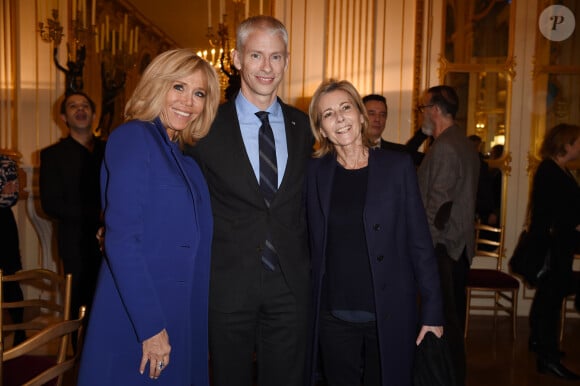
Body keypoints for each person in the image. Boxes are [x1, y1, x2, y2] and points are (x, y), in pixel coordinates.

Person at [77, 49, 220, 385]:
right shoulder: (134, 137)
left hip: (181, 316)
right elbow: (122, 239)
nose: (188, 101)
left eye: (199, 93)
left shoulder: (188, 164)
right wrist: (152, 327)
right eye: (178, 87)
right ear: (157, 86)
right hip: (140, 316)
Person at [186, 16, 314, 386]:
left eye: (276, 57)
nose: (266, 67)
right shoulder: (204, 126)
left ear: (286, 61)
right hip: (227, 282)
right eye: (256, 55)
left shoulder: (303, 127)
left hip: (289, 282)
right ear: (236, 58)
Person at [306, 79, 444, 386]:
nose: (340, 118)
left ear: (359, 113)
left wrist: (433, 308)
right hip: (333, 313)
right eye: (328, 114)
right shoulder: (314, 172)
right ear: (321, 128)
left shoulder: (397, 167)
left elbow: (420, 242)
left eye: (345, 108)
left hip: (389, 311)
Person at [416, 85, 480, 386]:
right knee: (451, 321)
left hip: (442, 249)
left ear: (436, 110)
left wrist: (422, 252)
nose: (422, 114)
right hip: (456, 248)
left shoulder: (444, 146)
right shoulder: (463, 143)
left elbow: (438, 207)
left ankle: (447, 378)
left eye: (423, 108)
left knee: (444, 321)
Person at [39, 92, 105, 327]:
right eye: (73, 106)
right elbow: (51, 204)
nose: (80, 109)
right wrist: (97, 214)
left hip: (113, 239)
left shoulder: (110, 150)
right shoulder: (52, 155)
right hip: (75, 243)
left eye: (85, 106)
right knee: (78, 305)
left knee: (106, 303)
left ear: (94, 114)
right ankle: (76, 360)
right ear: (63, 117)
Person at [527, 123, 580, 380]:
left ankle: (541, 344)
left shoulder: (560, 170)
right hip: (552, 248)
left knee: (549, 299)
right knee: (551, 301)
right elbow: (554, 212)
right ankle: (546, 357)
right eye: (578, 141)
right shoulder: (550, 170)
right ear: (567, 144)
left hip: (559, 245)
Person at [0, 153, 25, 346]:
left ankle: (19, 333)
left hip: (3, 226)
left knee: (10, 279)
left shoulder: (6, 162)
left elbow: (10, 197)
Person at [363, 94, 424, 166]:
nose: (377, 119)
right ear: (360, 116)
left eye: (382, 114)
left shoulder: (400, 153)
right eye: (371, 114)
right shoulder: (347, 151)